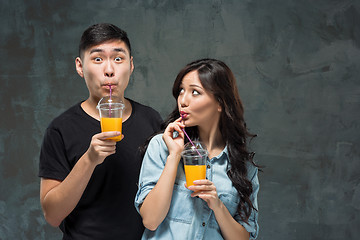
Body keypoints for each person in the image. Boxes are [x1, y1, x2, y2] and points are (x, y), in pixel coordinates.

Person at [39, 23, 163, 239]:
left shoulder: (151, 120)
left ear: (131, 65)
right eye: (97, 59)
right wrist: (89, 159)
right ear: (80, 66)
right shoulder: (61, 129)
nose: (109, 70)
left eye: (118, 58)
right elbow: (52, 215)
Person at [135, 58, 260, 239]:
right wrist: (175, 155)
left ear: (220, 103)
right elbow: (151, 220)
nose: (183, 101)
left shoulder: (243, 165)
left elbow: (243, 237)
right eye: (181, 91)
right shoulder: (161, 146)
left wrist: (217, 205)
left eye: (195, 92)